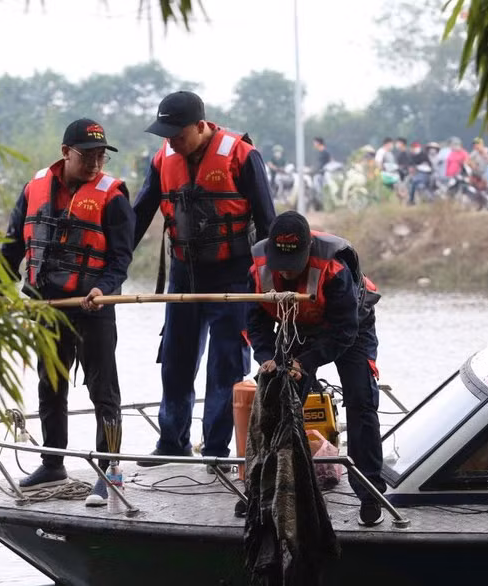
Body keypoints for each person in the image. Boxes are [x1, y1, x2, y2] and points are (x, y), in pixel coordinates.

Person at [132, 91, 276, 468]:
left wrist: (268, 285)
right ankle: (172, 442)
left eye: (178, 134)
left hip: (233, 274)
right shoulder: (164, 157)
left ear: (201, 126)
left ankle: (215, 450)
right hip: (183, 274)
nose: (172, 141)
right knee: (175, 360)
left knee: (226, 365)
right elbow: (141, 213)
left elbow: (267, 221)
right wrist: (112, 268)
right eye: (166, 134)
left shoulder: (242, 156)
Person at [0, 118, 134, 506]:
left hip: (93, 307)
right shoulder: (34, 188)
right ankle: (52, 460)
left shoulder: (113, 197)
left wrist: (103, 289)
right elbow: (12, 247)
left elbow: (121, 259)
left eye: (100, 156)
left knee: (102, 390)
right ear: (65, 153)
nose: (95, 163)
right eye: (87, 155)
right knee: (50, 384)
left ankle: (110, 472)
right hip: (47, 307)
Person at [247, 211, 386, 526]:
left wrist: (305, 363)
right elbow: (255, 320)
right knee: (277, 399)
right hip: (297, 326)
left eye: (293, 266)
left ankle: (370, 493)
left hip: (350, 328)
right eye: (281, 266)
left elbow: (345, 331)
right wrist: (267, 356)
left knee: (361, 401)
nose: (286, 272)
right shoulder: (257, 270)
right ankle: (265, 491)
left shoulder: (334, 271)